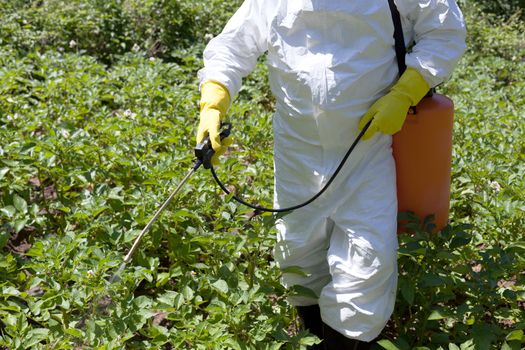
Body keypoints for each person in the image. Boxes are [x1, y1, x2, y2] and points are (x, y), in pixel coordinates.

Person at [196, 1, 466, 348]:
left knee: (368, 258)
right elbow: (234, 44)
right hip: (297, 148)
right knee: (296, 250)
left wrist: (405, 91)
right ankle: (313, 335)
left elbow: (444, 31)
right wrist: (214, 100)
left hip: (367, 146)